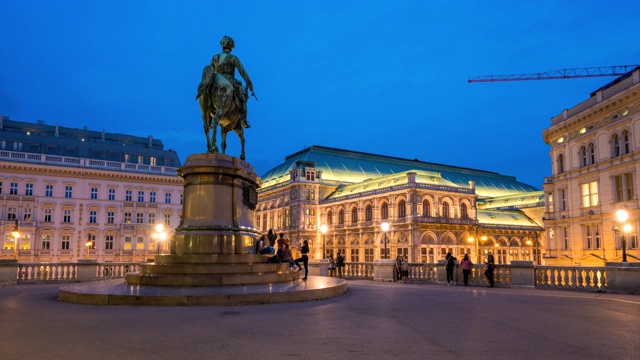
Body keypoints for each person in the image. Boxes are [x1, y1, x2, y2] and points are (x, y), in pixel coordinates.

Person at [210, 35, 254, 128]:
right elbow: (242, 71)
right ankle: (243, 120)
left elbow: (211, 71)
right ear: (231, 47)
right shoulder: (234, 58)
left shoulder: (215, 57)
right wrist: (249, 83)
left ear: (222, 45)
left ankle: (209, 119)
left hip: (216, 79)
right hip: (229, 79)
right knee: (243, 95)